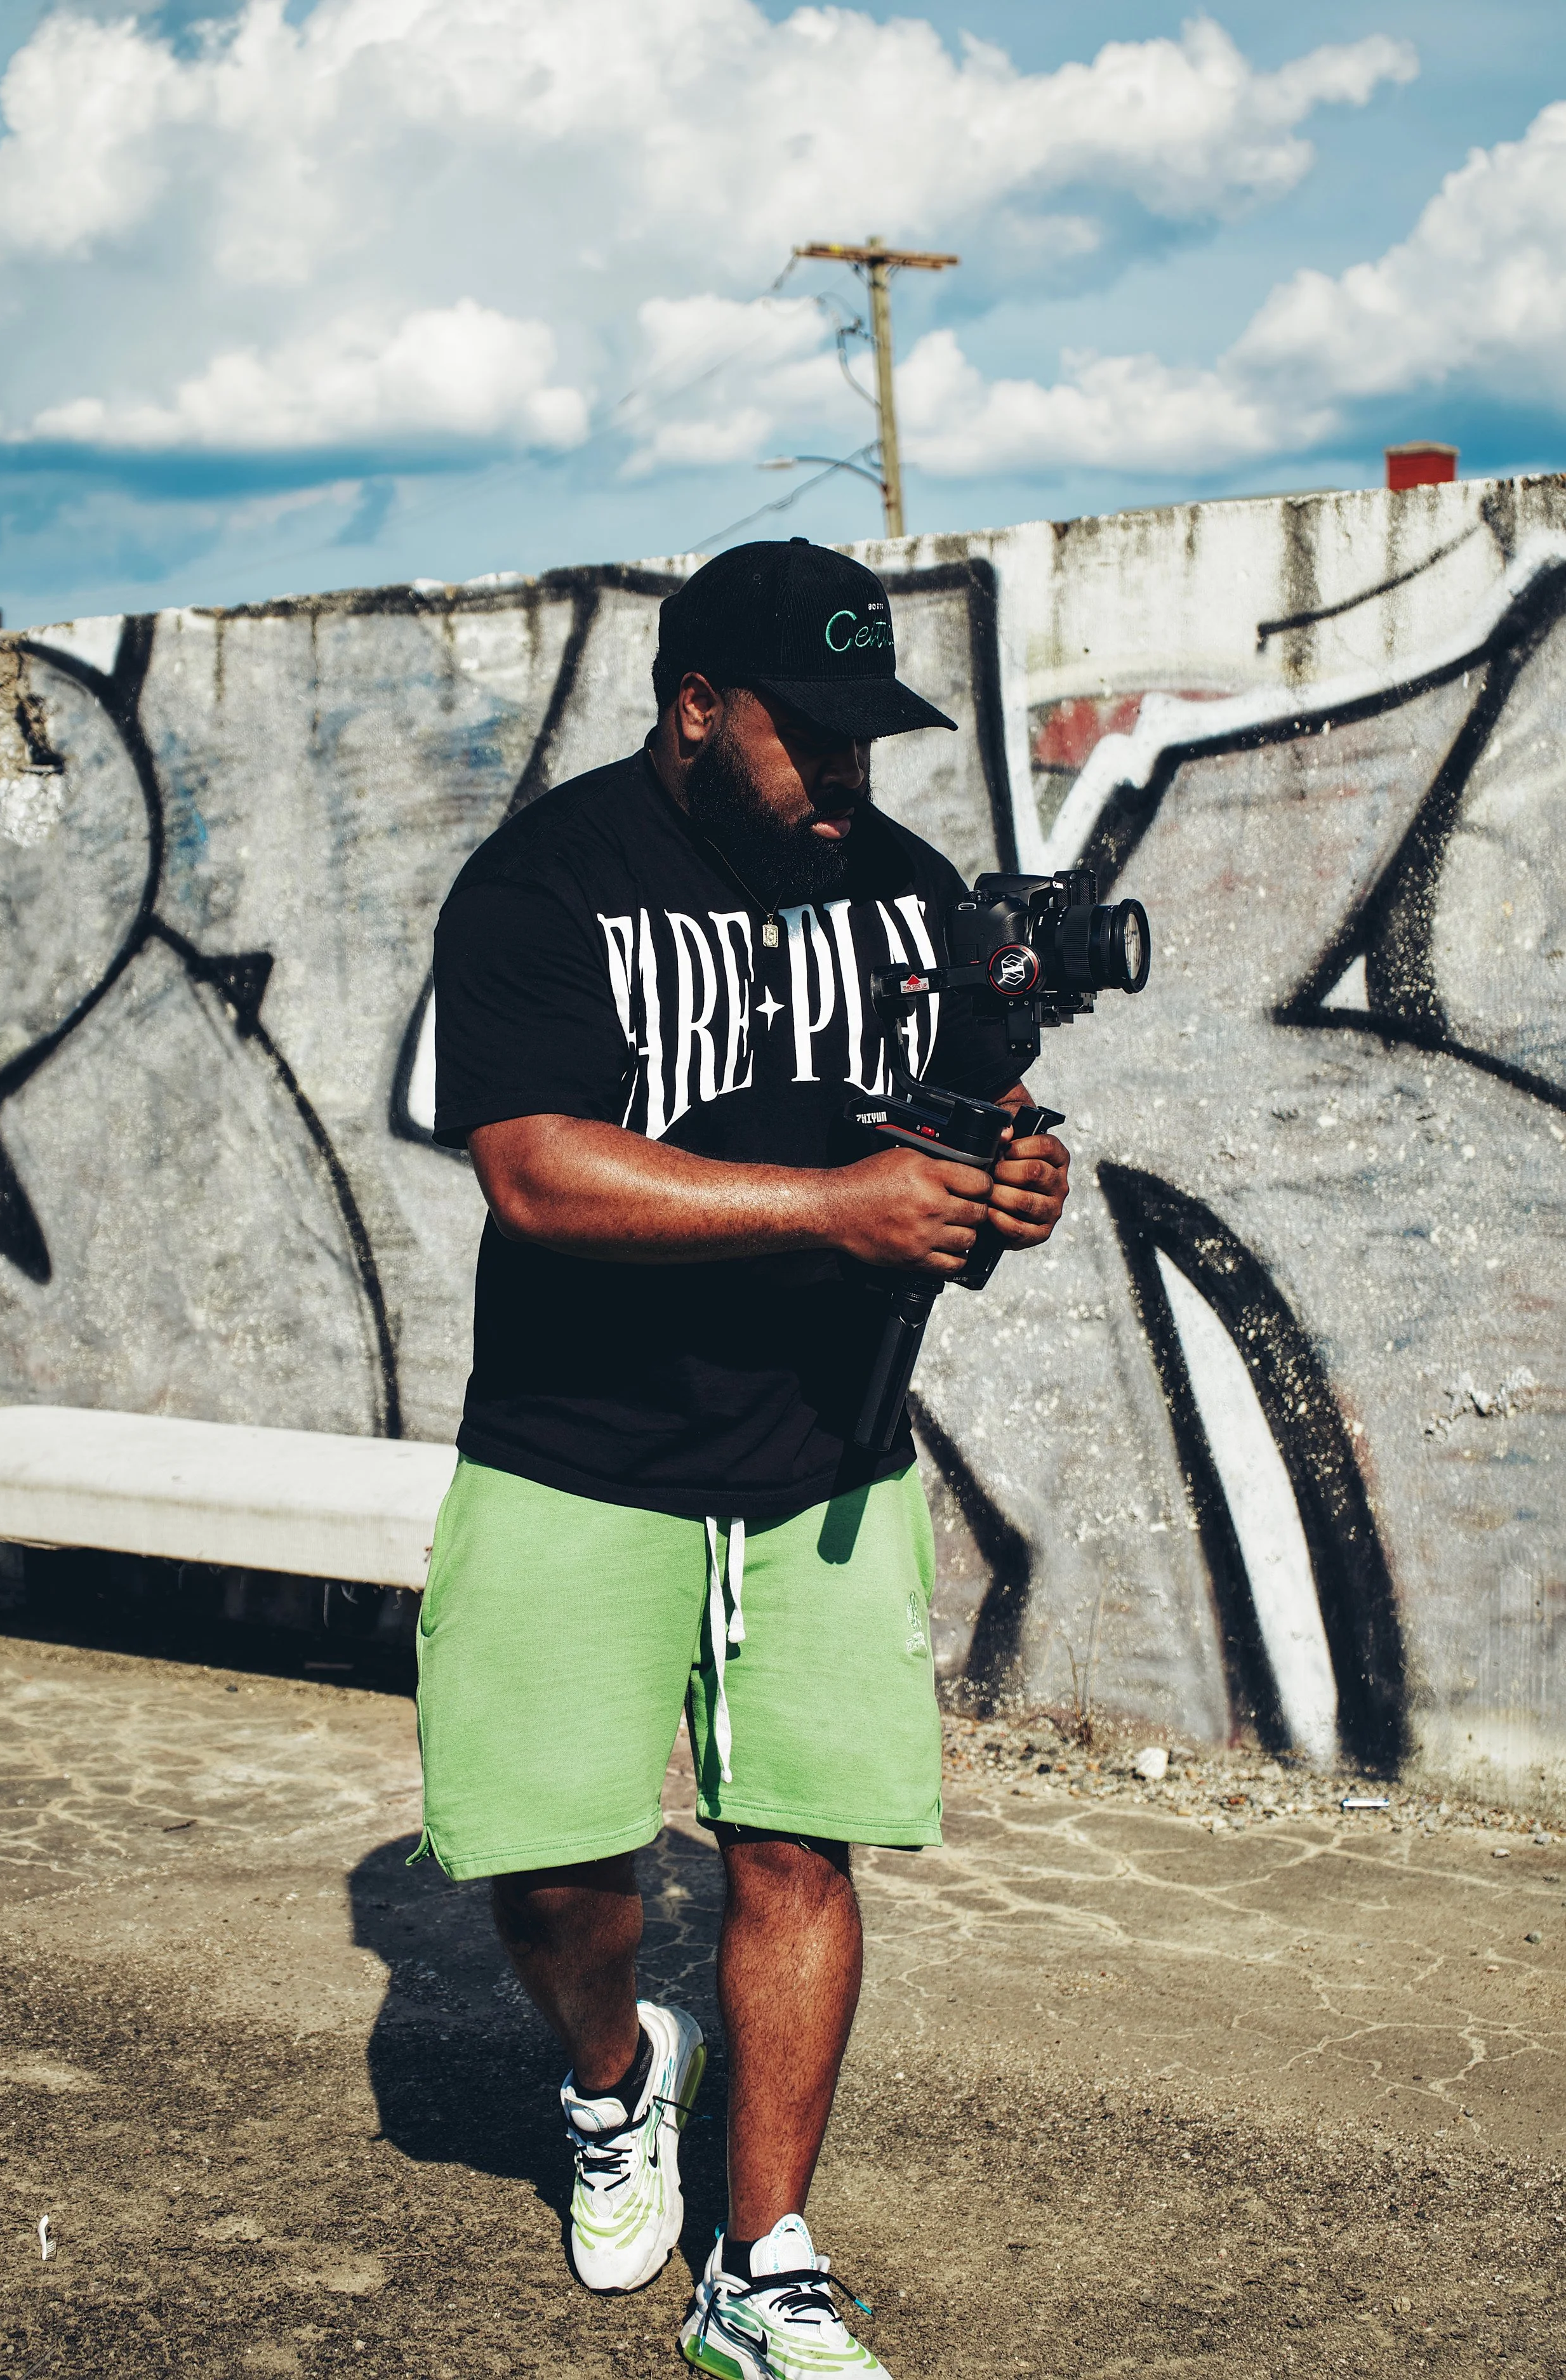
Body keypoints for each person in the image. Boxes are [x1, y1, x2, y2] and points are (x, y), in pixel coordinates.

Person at [418, 536, 1070, 2377]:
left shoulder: (909, 888)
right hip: (578, 1443)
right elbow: (535, 1168)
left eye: (875, 732)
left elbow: (977, 1116)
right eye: (813, 731)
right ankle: (618, 2079)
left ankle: (761, 2250)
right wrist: (828, 1202)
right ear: (697, 707)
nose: (850, 771)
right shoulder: (547, 878)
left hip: (827, 1448)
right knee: (552, 1863)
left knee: (800, 1848)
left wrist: (1010, 1182)